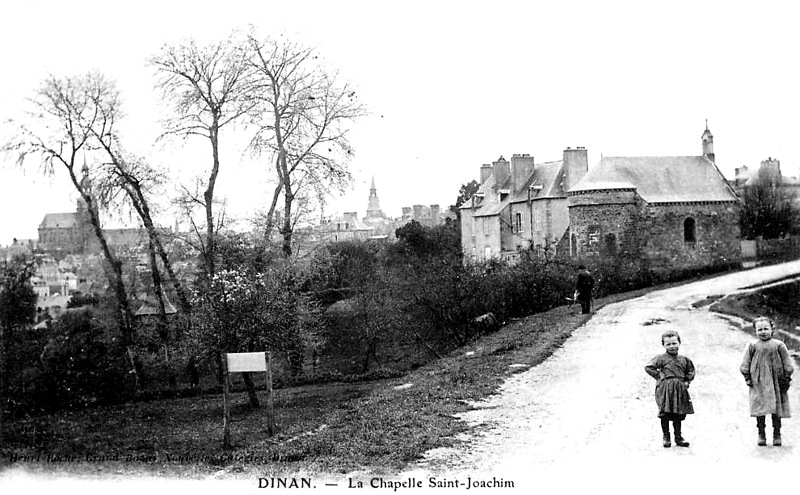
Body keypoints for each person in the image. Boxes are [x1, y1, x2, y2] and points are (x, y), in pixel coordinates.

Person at [740, 316, 793, 446]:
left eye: (765, 329)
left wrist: (787, 376)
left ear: (772, 329)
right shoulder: (752, 345)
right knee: (760, 408)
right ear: (755, 331)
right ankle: (761, 433)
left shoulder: (779, 345)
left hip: (776, 381)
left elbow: (787, 363)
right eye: (759, 330)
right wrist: (747, 377)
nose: (763, 332)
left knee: (777, 408)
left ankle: (777, 433)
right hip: (758, 382)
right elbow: (745, 363)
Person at [645, 330, 695, 448]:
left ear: (679, 343)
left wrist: (687, 381)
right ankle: (666, 437)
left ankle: (678, 437)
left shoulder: (684, 359)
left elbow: (690, 370)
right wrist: (660, 377)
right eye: (668, 344)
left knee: (678, 412)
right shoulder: (661, 358)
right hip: (665, 389)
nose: (672, 346)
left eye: (674, 343)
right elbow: (649, 367)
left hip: (679, 389)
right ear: (664, 345)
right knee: (665, 412)